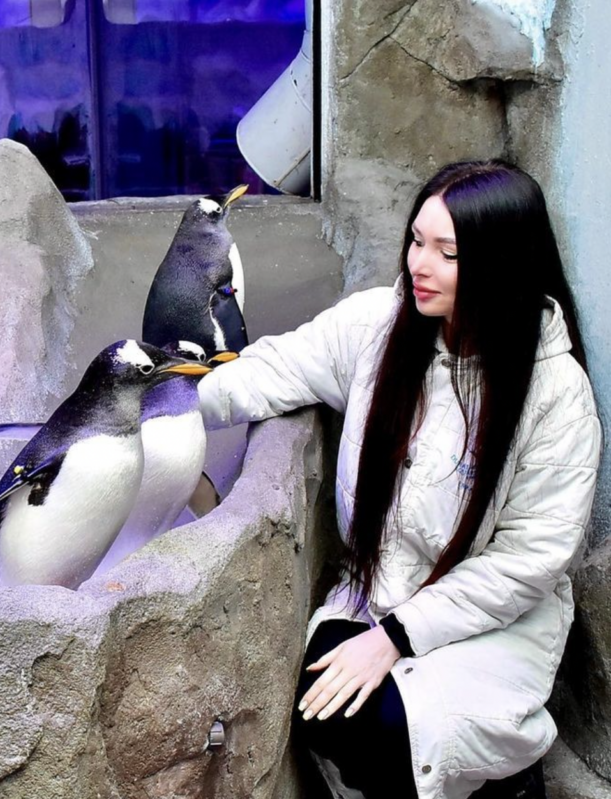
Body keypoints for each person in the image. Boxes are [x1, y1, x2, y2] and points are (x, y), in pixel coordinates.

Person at [197, 160, 601, 799]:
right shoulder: (377, 326)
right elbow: (273, 370)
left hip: (491, 624)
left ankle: (510, 782)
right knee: (321, 705)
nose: (420, 264)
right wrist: (158, 410)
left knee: (395, 727)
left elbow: (528, 561)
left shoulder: (553, 391)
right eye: (417, 241)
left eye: (448, 252)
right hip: (374, 595)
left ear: (501, 262)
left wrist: (397, 638)